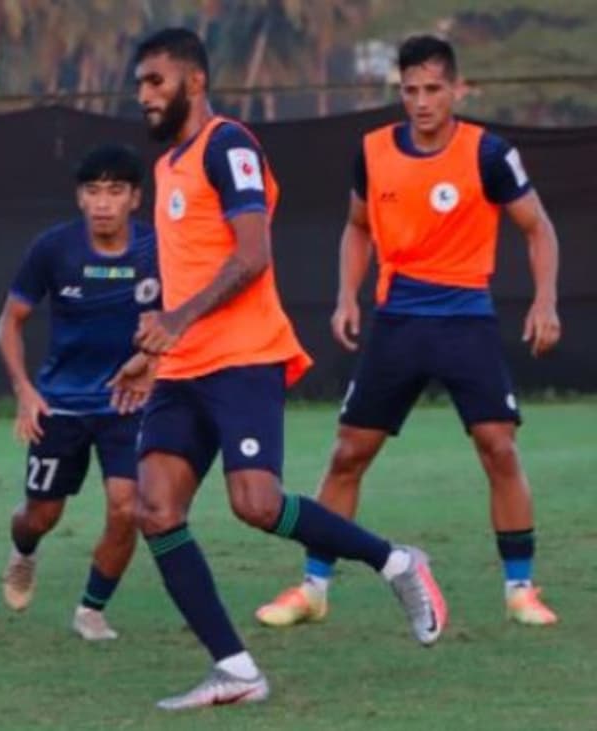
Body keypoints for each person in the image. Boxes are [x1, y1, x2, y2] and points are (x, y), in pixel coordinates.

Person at [109, 28, 448, 711]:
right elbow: (190, 271)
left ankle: (397, 562)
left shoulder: (227, 145)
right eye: (140, 83)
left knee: (256, 504)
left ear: (195, 82)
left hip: (243, 357)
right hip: (182, 368)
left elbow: (252, 253)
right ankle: (236, 670)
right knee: (154, 509)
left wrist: (175, 320)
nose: (143, 94)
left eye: (156, 81)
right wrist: (153, 351)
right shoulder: (169, 165)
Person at [256, 35, 561, 630]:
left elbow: (538, 227)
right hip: (397, 322)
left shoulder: (489, 153)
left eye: (433, 89)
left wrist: (545, 301)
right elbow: (357, 227)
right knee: (348, 453)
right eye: (410, 90)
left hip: (466, 320)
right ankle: (313, 588)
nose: (421, 102)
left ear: (457, 90)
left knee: (499, 447)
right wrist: (347, 295)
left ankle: (520, 589)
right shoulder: (373, 151)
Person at [0, 143, 158, 641]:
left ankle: (91, 610)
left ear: (135, 198)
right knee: (41, 515)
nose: (103, 203)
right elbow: (9, 322)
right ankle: (23, 551)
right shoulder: (54, 248)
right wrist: (24, 391)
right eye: (93, 191)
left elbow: (182, 320)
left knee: (128, 506)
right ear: (80, 198)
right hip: (61, 404)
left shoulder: (158, 249)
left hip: (127, 403)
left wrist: (154, 362)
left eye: (116, 191)